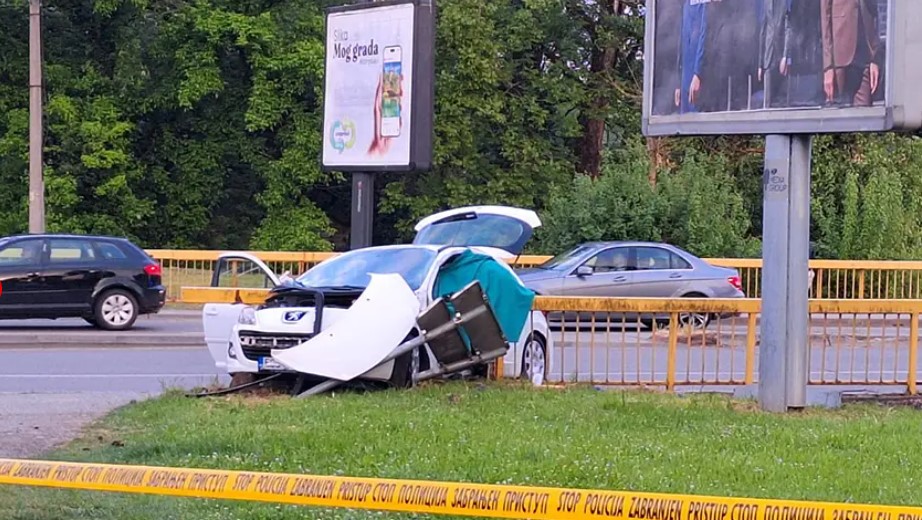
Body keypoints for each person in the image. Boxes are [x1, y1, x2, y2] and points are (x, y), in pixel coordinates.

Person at [820, 0, 881, 107]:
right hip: (839, 55)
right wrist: (828, 66)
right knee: (838, 117)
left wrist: (875, 57)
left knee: (863, 115)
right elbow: (825, 17)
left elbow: (874, 12)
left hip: (865, 55)